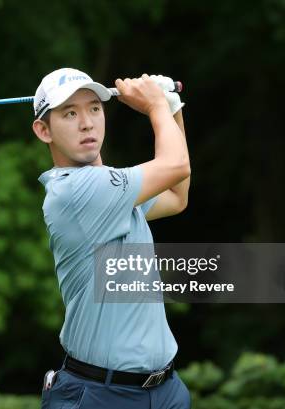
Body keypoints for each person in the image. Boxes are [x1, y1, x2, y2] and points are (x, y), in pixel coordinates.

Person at [32, 68, 191, 409]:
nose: (87, 123)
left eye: (94, 108)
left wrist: (172, 107)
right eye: (69, 113)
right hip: (101, 395)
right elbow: (176, 166)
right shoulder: (75, 191)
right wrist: (156, 108)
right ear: (44, 130)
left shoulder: (113, 186)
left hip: (165, 391)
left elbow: (177, 197)